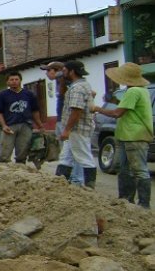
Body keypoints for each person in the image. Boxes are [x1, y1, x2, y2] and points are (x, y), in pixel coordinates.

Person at [92, 63, 152, 208]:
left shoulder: (133, 92)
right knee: (125, 169)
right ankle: (126, 201)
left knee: (139, 170)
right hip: (130, 135)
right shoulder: (142, 91)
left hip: (134, 136)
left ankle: (143, 204)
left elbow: (117, 113)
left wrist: (97, 108)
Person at [41, 61, 84, 184]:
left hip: (66, 121)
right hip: (61, 119)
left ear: (58, 71)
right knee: (66, 151)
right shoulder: (59, 82)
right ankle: (71, 178)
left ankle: (77, 179)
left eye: (48, 70)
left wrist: (67, 127)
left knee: (73, 151)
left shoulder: (68, 83)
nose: (47, 74)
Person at [56, 60, 97, 188]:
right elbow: (62, 93)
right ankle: (59, 185)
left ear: (72, 72)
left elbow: (76, 110)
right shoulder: (81, 85)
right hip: (76, 129)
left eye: (64, 71)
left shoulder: (78, 88)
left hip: (77, 129)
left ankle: (89, 187)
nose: (62, 74)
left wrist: (67, 130)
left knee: (84, 157)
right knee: (65, 157)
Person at [0, 71, 44, 163]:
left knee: (23, 151)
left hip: (26, 125)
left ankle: (20, 170)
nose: (14, 81)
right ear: (7, 82)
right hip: (9, 126)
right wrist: (4, 125)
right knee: (5, 151)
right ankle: (2, 171)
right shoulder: (2, 95)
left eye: (16, 79)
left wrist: (39, 124)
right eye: (11, 80)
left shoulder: (29, 94)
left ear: (20, 80)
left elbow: (35, 111)